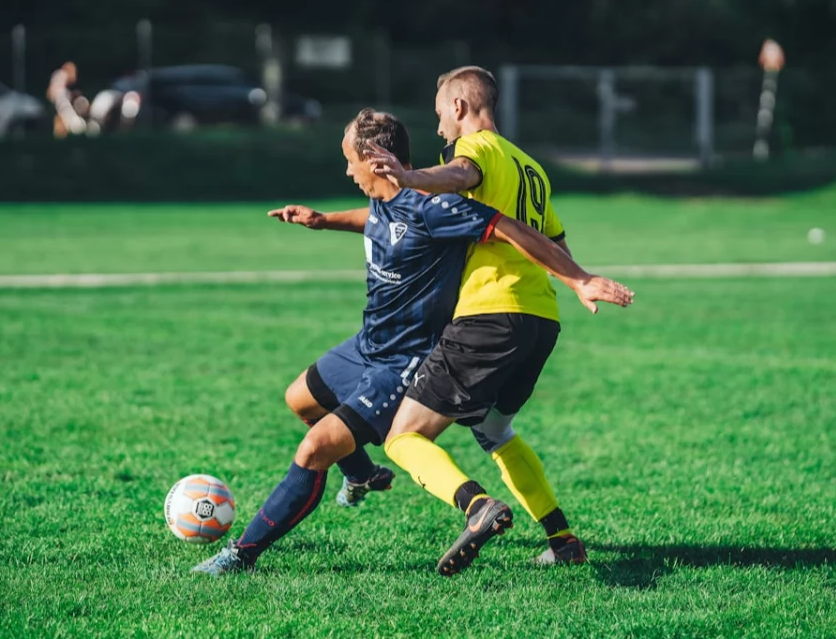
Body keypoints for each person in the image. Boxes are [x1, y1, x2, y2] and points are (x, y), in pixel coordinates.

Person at [192, 108, 632, 576]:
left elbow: (510, 227)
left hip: (402, 362)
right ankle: (363, 475)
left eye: (350, 161)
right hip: (368, 344)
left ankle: (241, 555)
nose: (347, 172)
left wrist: (577, 278)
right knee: (300, 399)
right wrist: (323, 220)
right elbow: (377, 219)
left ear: (374, 160)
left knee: (314, 450)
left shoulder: (431, 207)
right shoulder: (385, 200)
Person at [367, 66, 608, 575]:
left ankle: (476, 506)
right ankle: (562, 540)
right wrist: (578, 281)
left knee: (402, 437)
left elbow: (459, 174)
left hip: (489, 314)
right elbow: (551, 242)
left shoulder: (474, 149)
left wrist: (410, 177)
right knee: (495, 430)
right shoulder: (530, 167)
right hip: (540, 319)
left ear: (458, 107)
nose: (438, 127)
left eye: (440, 114)